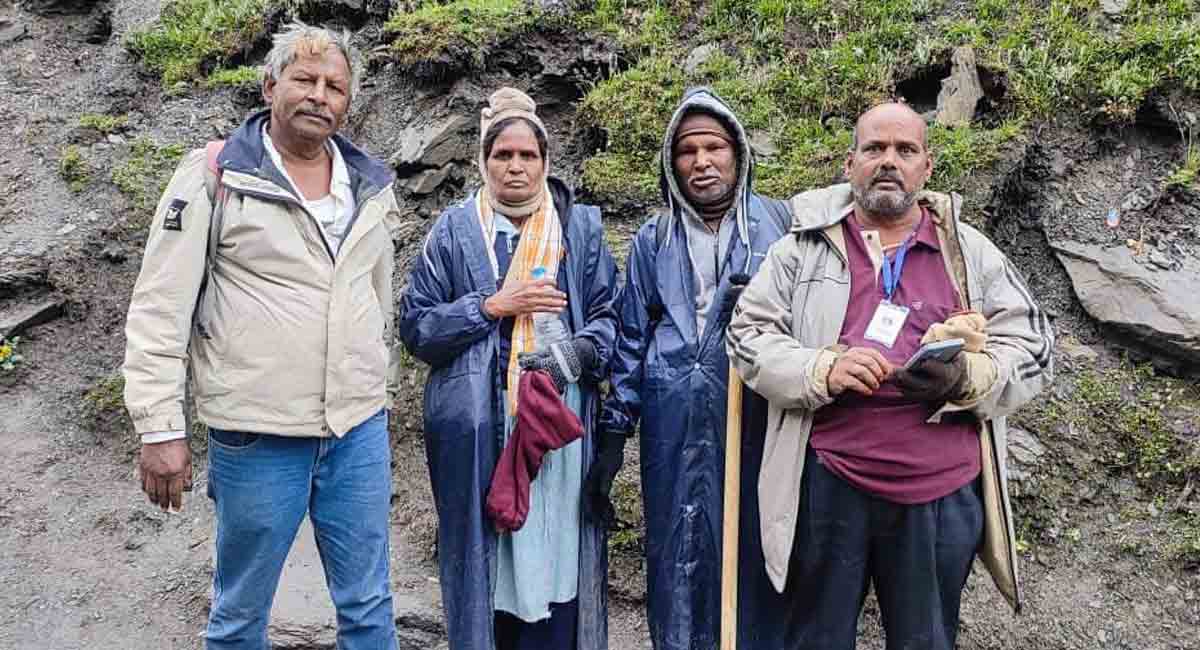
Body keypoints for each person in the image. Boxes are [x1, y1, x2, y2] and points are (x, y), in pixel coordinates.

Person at [726, 102, 1054, 649]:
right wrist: (822, 368)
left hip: (939, 492)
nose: (888, 161)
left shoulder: (969, 252)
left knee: (925, 640)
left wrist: (968, 376)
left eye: (905, 150)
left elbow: (1036, 346)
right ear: (849, 162)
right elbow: (746, 337)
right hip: (829, 483)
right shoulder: (799, 249)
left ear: (927, 166)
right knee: (817, 640)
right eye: (875, 149)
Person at [122, 22, 401, 649]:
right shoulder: (215, 175)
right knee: (242, 610)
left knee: (368, 602)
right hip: (257, 433)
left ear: (348, 102)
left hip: (356, 431)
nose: (319, 96)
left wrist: (378, 388)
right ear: (270, 85)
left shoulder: (370, 187)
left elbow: (376, 300)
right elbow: (159, 306)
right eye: (304, 80)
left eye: (334, 86)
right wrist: (160, 426)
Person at [398, 87, 618, 650]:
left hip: (557, 427)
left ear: (545, 162)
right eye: (503, 155)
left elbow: (609, 320)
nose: (515, 167)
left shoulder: (581, 230)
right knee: (486, 556)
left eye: (528, 156)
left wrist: (570, 357)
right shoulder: (452, 232)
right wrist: (492, 306)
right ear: (484, 161)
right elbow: (417, 328)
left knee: (555, 547)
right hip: (475, 432)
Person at [598, 87, 793, 649]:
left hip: (755, 417)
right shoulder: (653, 240)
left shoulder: (777, 230)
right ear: (671, 162)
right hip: (672, 422)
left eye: (714, 147)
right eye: (687, 151)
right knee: (676, 548)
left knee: (753, 550)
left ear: (738, 153)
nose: (702, 162)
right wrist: (613, 437)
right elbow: (631, 342)